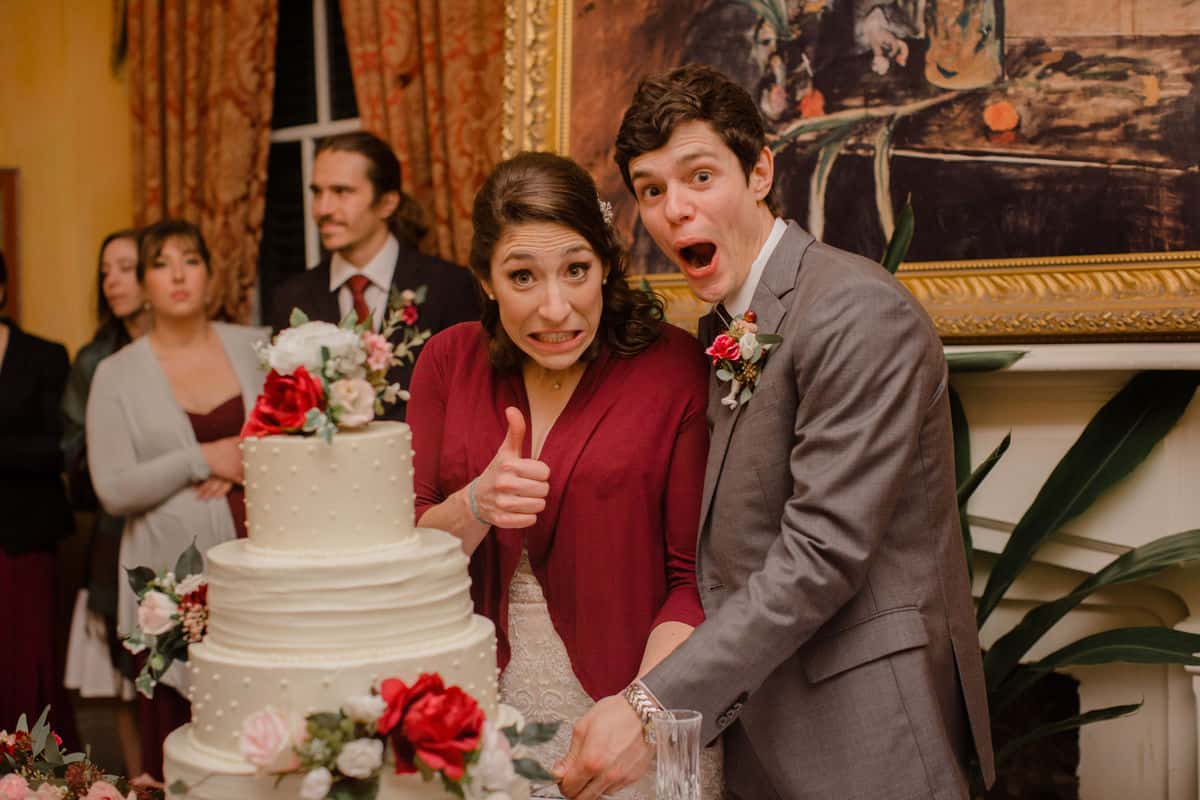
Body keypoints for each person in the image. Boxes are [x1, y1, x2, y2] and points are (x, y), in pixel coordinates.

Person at [556, 64, 994, 800]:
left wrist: (652, 705)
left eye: (700, 176)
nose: (674, 210)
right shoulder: (729, 324)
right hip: (762, 723)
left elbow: (819, 555)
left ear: (760, 170)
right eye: (652, 190)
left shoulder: (856, 310)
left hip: (865, 731)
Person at [407, 151, 722, 798]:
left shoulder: (675, 369)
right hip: (479, 713)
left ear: (605, 264)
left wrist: (639, 712)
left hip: (634, 706)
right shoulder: (447, 362)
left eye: (576, 271)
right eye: (523, 276)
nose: (555, 309)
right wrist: (475, 502)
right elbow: (407, 553)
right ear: (487, 281)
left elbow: (696, 580)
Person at [86, 219, 267, 780]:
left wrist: (245, 467)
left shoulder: (258, 346)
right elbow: (113, 488)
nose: (179, 275)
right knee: (186, 750)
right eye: (161, 264)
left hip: (263, 574)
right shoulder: (115, 375)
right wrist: (202, 458)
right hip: (171, 591)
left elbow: (299, 440)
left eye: (191, 259)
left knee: (265, 730)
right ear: (143, 284)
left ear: (211, 274)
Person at [267, 131, 478, 420]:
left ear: (387, 203)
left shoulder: (450, 287)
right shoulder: (292, 298)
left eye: (342, 192)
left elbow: (469, 402)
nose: (322, 209)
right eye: (317, 192)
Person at [62, 228, 151, 775]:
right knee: (127, 676)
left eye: (125, 267)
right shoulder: (94, 360)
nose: (113, 280)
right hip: (117, 531)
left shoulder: (192, 348)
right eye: (105, 271)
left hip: (193, 524)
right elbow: (74, 451)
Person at [0, 251, 80, 744]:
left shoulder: (45, 356)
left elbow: (58, 449)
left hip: (25, 536)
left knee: (29, 664)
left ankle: (36, 781)